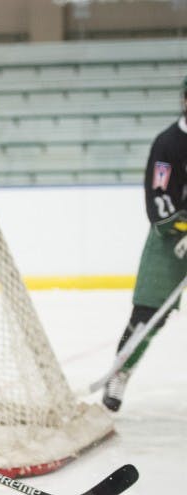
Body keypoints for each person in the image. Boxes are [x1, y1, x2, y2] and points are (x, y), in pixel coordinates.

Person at [101, 76, 187, 412]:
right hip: (170, 239)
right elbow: (159, 198)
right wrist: (181, 230)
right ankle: (120, 373)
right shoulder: (167, 144)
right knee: (148, 313)